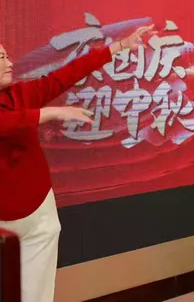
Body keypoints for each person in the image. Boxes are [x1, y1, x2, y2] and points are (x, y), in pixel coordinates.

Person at [0, 25, 153, 302]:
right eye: (1, 58)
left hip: (37, 207)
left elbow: (66, 75)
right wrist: (47, 113)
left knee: (37, 291)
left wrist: (118, 47)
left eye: (7, 56)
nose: (10, 63)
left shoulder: (21, 94)